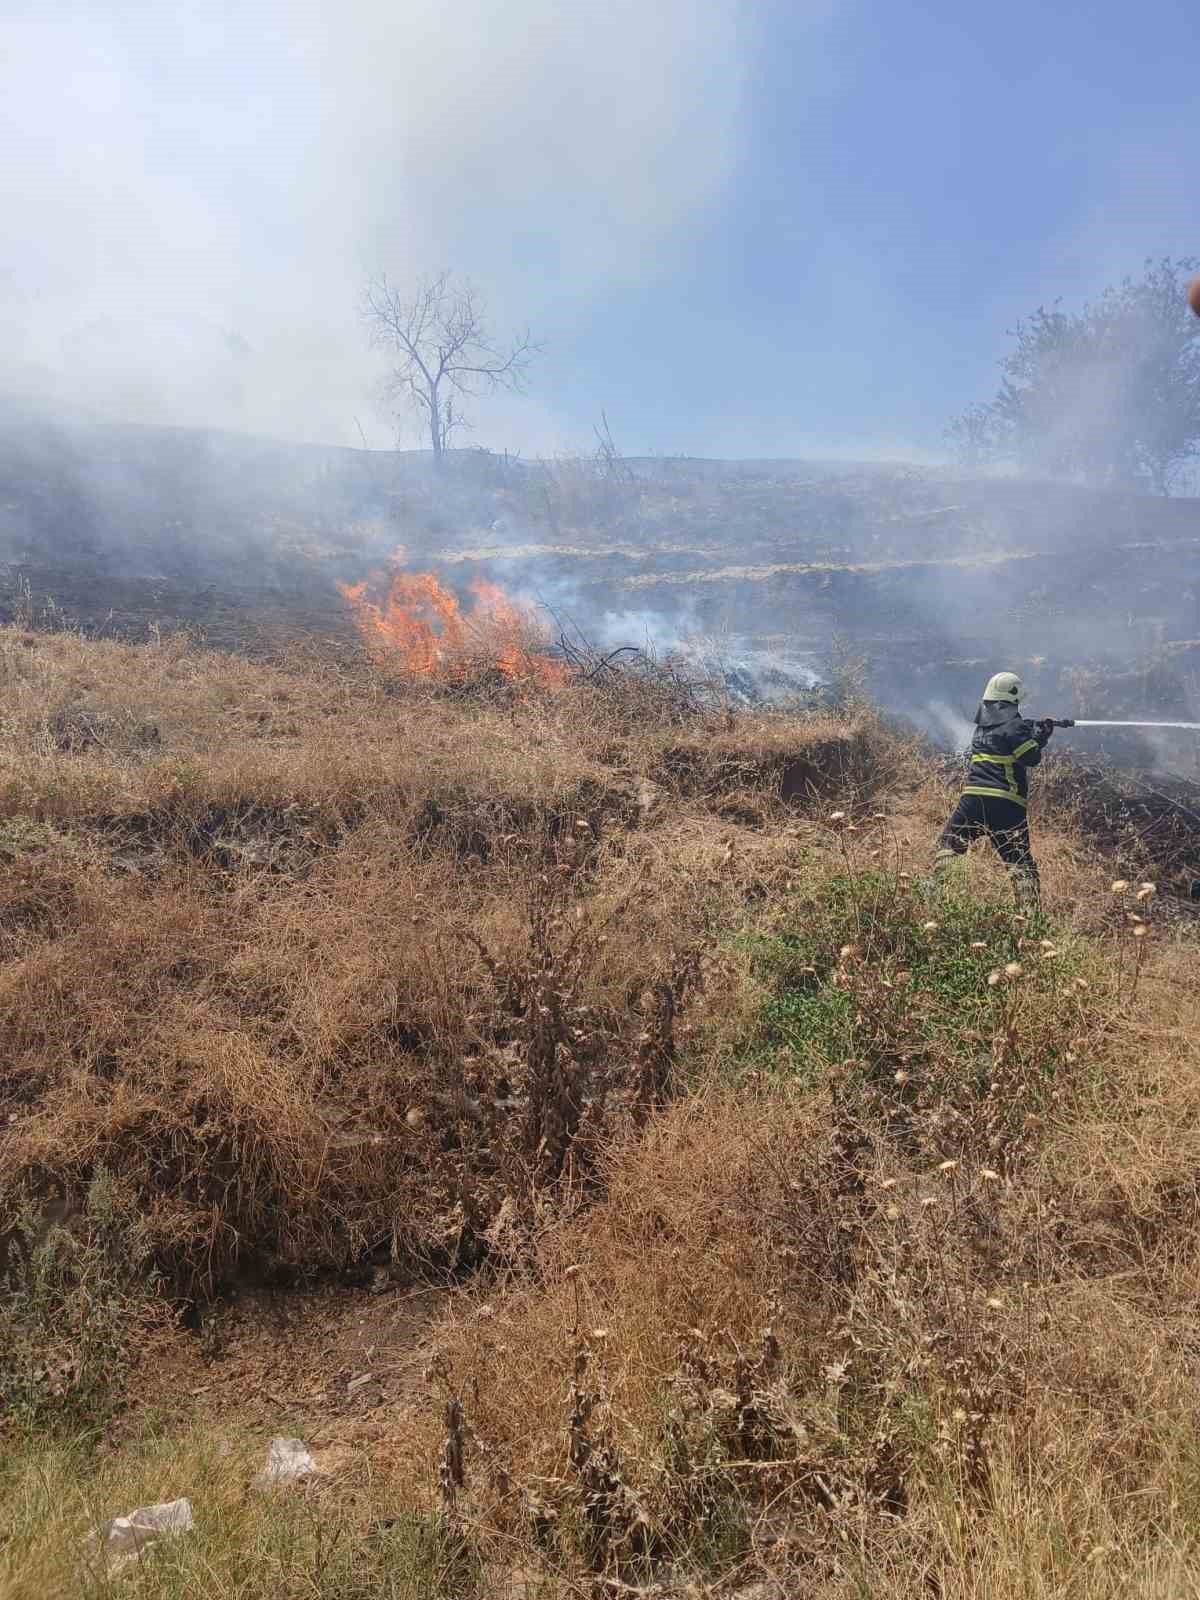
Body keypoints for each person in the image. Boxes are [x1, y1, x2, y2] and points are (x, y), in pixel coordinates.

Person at [932, 671, 1054, 905]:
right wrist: (1040, 738)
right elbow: (1031, 757)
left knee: (949, 845)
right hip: (1006, 803)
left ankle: (938, 901)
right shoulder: (1015, 727)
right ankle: (1029, 917)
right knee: (1019, 863)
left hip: (973, 800)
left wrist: (1030, 731)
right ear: (1013, 699)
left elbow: (1005, 738)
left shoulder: (981, 731)